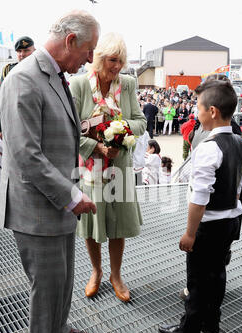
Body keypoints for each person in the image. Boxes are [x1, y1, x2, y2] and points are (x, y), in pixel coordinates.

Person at [0, 10, 99, 333]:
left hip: (56, 199)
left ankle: (58, 328)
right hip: (35, 203)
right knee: (48, 278)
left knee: (65, 273)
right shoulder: (25, 80)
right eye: (89, 50)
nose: (90, 59)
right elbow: (26, 154)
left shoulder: (53, 77)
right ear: (71, 41)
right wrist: (72, 195)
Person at [159, 79, 242, 333]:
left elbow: (199, 198)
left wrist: (190, 233)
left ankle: (190, 328)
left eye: (198, 107)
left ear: (212, 111)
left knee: (197, 278)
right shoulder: (240, 143)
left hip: (208, 225)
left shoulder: (208, 148)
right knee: (218, 273)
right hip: (230, 220)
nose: (195, 112)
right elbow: (239, 186)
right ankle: (212, 322)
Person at [70, 33, 146, 303]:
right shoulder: (78, 85)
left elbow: (140, 122)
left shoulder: (126, 84)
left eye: (121, 61)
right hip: (90, 168)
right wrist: (96, 147)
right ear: (99, 59)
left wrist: (120, 132)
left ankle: (116, 275)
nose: (117, 67)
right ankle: (96, 271)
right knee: (93, 222)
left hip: (120, 166)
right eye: (113, 60)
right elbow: (69, 128)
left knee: (117, 224)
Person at [0, 36, 36, 137]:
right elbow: (1, 98)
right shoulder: (8, 70)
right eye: (19, 51)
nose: (22, 54)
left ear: (34, 50)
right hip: (16, 120)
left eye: (26, 50)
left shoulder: (42, 68)